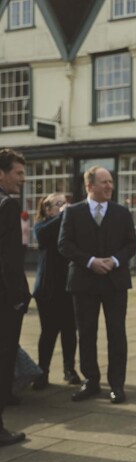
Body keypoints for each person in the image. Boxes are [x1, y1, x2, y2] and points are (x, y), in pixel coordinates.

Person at [59, 166, 136, 404]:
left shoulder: (122, 213)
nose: (109, 186)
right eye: (104, 182)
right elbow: (64, 244)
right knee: (86, 334)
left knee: (117, 334)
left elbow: (131, 244)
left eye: (111, 182)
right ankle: (91, 381)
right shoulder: (73, 212)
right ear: (89, 186)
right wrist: (91, 261)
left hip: (115, 282)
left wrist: (114, 261)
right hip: (84, 282)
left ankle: (117, 385)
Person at [32, 193, 80, 390]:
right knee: (49, 331)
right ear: (47, 209)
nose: (63, 206)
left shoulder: (69, 226)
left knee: (69, 330)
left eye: (65, 203)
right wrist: (63, 214)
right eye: (58, 204)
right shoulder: (41, 225)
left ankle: (70, 369)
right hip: (47, 288)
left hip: (68, 287)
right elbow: (44, 236)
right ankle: (43, 371)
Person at [0, 148, 30, 446]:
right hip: (4, 300)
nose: (23, 179)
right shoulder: (7, 205)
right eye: (18, 173)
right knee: (3, 359)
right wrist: (20, 297)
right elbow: (9, 260)